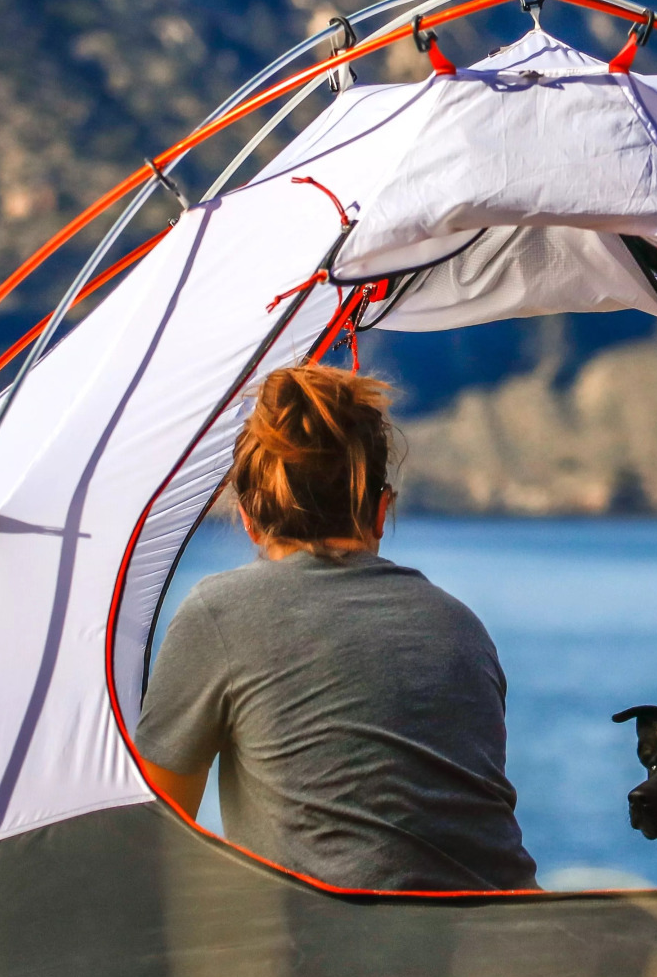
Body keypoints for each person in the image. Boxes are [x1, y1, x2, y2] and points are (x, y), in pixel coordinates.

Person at [135, 363, 537, 892]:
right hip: (513, 943)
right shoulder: (459, 625)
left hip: (336, 957)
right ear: (380, 511)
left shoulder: (219, 612)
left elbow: (159, 833)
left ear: (250, 518)